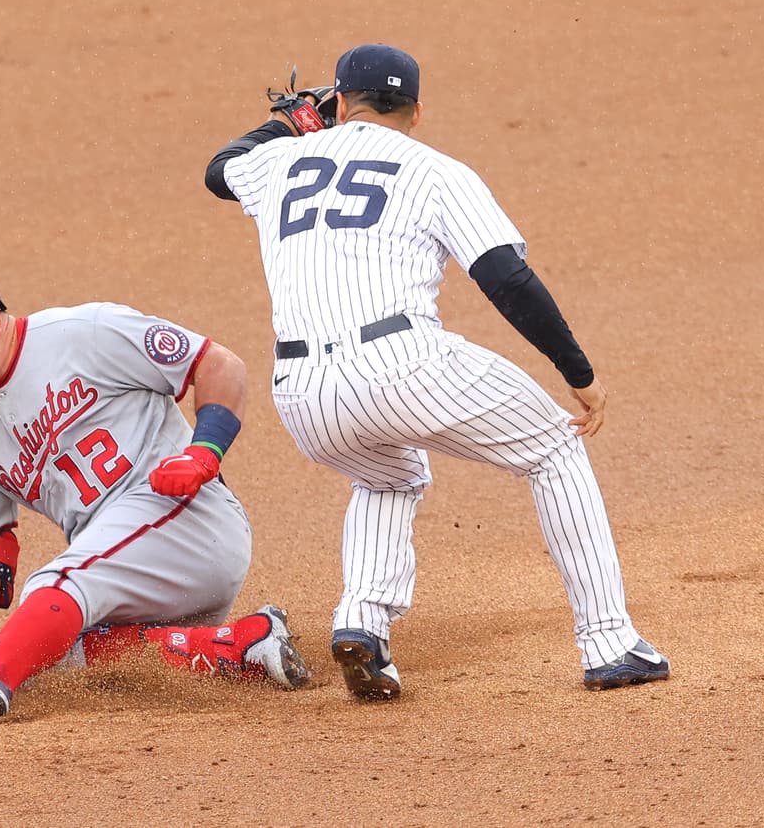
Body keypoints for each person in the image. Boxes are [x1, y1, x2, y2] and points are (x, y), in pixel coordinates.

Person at [203, 43, 669, 699]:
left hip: (302, 394)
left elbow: (220, 170)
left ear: (338, 103)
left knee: (388, 475)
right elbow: (506, 278)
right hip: (401, 364)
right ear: (417, 111)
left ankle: (362, 623)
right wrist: (577, 371)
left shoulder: (276, 161)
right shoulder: (436, 171)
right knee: (554, 448)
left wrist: (291, 123)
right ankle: (611, 642)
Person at [0, 260, 310, 719]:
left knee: (52, 585)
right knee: (56, 658)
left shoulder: (83, 333)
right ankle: (243, 647)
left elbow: (217, 363)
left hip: (190, 522)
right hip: (125, 573)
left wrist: (204, 451)